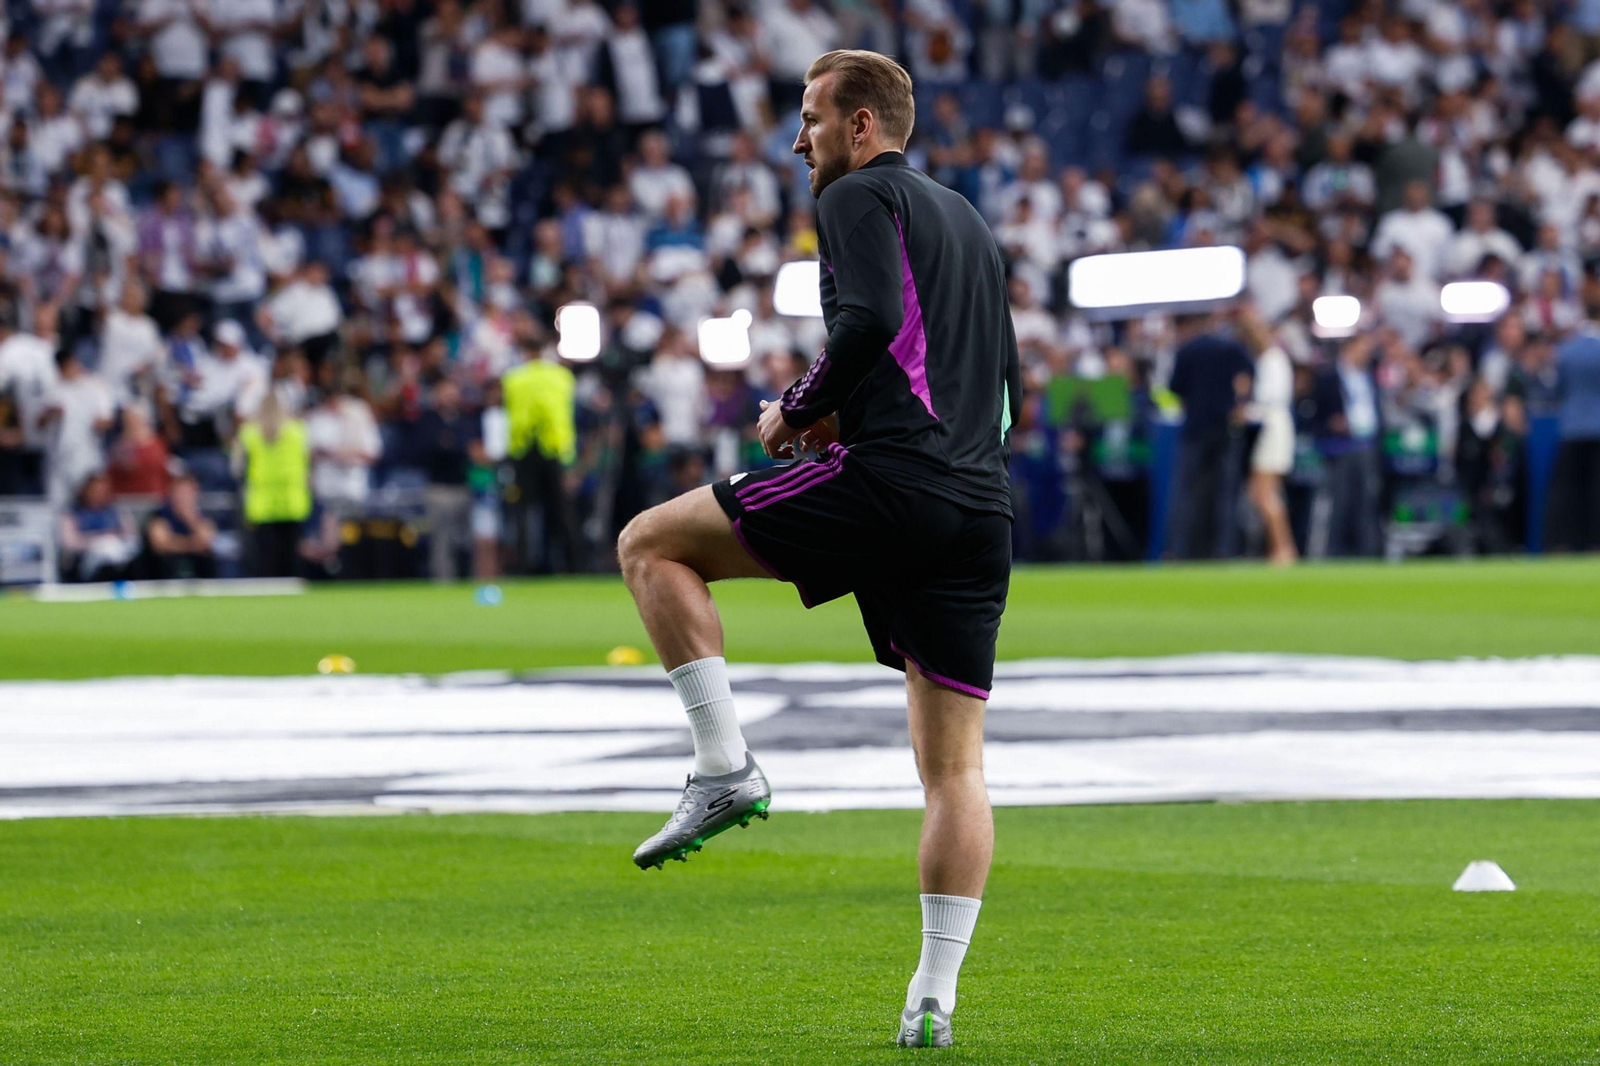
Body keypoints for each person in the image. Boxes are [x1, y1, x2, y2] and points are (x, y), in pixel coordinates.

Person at [616, 51, 1020, 1049]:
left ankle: (722, 765)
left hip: (898, 486)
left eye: (808, 119)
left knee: (650, 543)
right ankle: (933, 995)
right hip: (980, 510)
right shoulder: (968, 222)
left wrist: (798, 410)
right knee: (954, 772)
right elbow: (989, 391)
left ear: (862, 126)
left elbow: (875, 323)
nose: (797, 141)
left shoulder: (850, 200)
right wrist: (845, 424)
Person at [1167, 312, 1253, 559]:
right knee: (1224, 495)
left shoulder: (1186, 350)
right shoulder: (1229, 347)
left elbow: (1176, 390)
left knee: (1187, 494)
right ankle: (1223, 550)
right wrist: (1239, 403)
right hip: (1224, 429)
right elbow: (1247, 376)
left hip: (1194, 430)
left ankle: (1183, 551)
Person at [1239, 308, 1298, 565]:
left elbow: (1271, 399)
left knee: (1265, 493)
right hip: (1269, 427)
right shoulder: (1268, 358)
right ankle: (1279, 547)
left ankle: (1283, 549)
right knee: (1260, 493)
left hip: (1272, 429)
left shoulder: (1273, 359)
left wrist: (1246, 412)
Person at [235, 390, 310, 577]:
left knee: (265, 559)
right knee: (290, 557)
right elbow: (307, 464)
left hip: (262, 502)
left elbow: (237, 467)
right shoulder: (297, 430)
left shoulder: (249, 432)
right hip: (291, 500)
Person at [143, 471, 217, 578]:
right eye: (181, 492)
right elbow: (161, 545)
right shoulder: (159, 515)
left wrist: (190, 519)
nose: (184, 497)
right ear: (172, 493)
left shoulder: (200, 517)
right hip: (162, 573)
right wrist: (193, 544)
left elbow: (206, 542)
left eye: (188, 493)